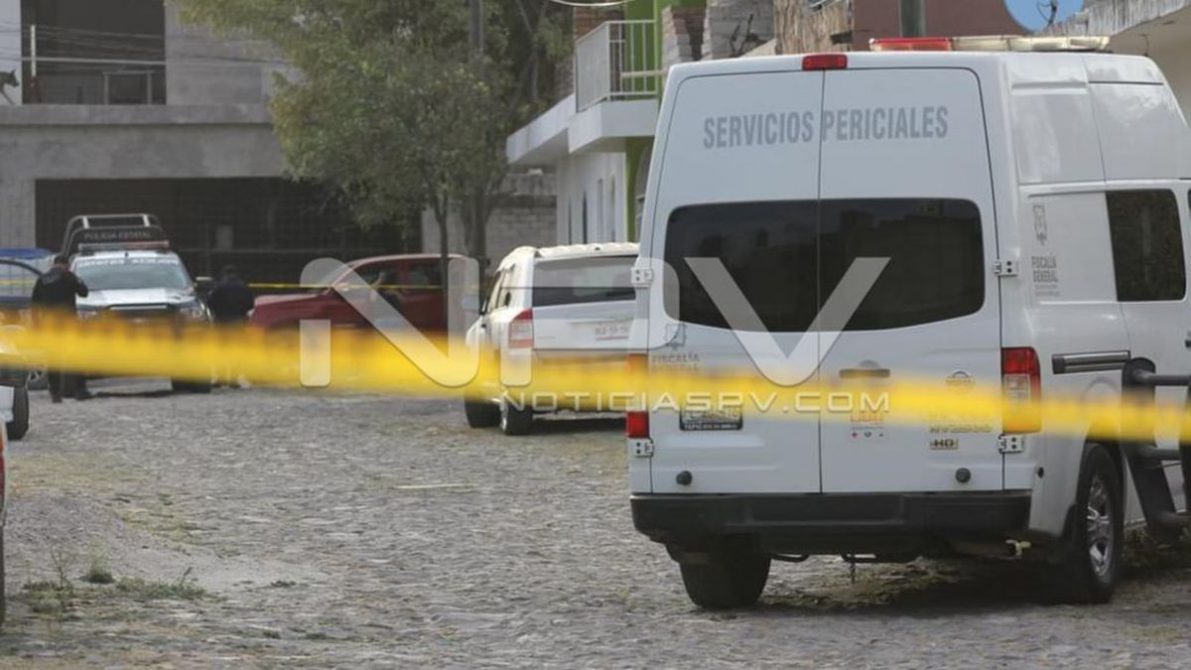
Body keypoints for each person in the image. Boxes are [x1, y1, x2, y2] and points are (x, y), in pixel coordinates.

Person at [31, 255, 90, 403]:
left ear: (54, 263)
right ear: (66, 264)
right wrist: (77, 279)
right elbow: (84, 292)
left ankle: (55, 392)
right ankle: (80, 390)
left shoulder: (42, 279)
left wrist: (37, 324)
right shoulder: (70, 277)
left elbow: (34, 304)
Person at [204, 266, 255, 387]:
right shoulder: (243, 287)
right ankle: (234, 379)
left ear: (224, 274)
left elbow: (210, 303)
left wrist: (218, 311)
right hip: (238, 322)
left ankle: (220, 378)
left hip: (221, 322)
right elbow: (250, 304)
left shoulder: (219, 287)